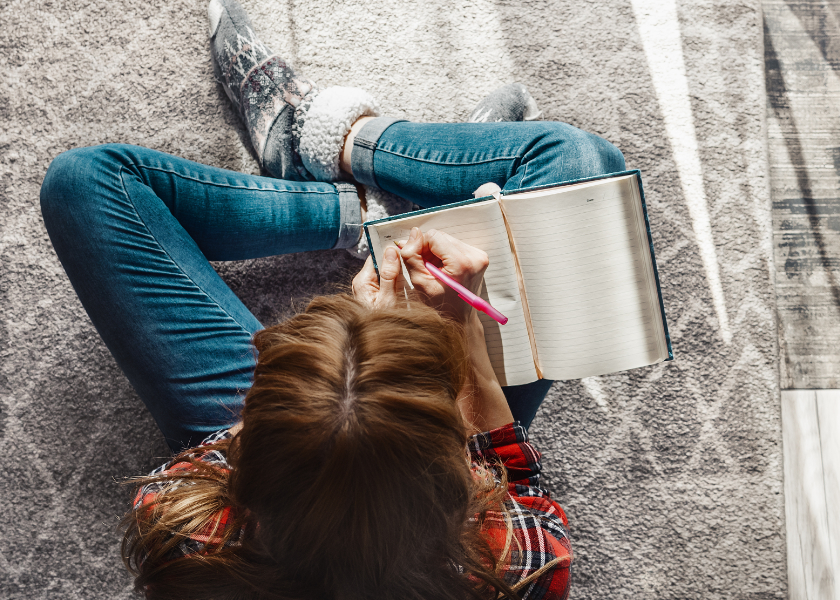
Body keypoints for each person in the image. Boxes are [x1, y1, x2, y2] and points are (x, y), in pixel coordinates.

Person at [38, 0, 626, 598]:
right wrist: (465, 346)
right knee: (585, 171)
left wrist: (322, 411)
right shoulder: (516, 570)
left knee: (87, 182)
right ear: (457, 476)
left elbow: (227, 466)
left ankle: (332, 171)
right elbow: (518, 483)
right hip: (361, 456)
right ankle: (361, 150)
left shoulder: (188, 538)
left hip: (330, 456)